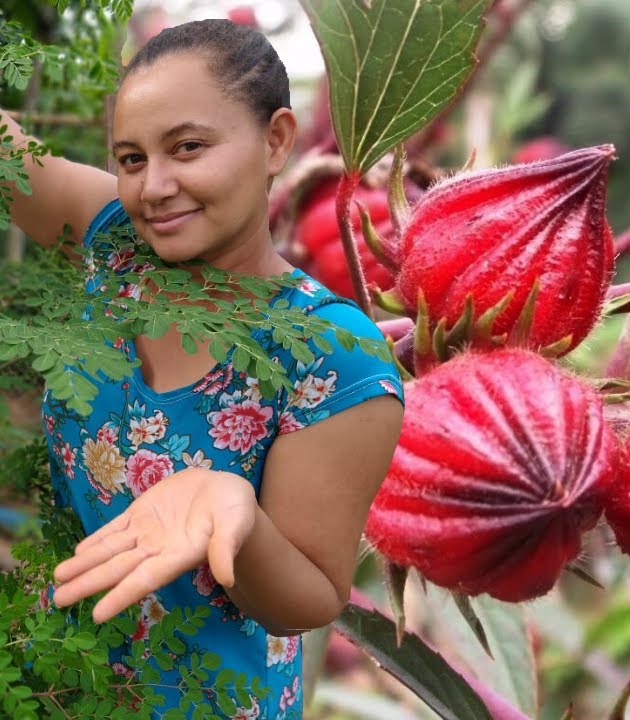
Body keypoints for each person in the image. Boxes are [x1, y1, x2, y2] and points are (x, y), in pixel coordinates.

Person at [1, 19, 405, 718]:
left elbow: (311, 598)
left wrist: (236, 514)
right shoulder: (116, 247)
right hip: (56, 683)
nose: (155, 186)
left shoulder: (333, 354)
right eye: (131, 159)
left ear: (276, 140)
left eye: (187, 148)